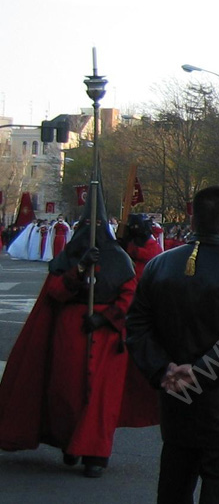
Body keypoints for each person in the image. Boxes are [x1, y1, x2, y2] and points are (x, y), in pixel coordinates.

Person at [0, 183, 158, 478]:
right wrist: (80, 270)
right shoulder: (70, 257)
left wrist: (107, 318)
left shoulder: (120, 259)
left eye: (98, 225)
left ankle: (96, 453)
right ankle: (70, 443)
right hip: (71, 332)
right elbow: (56, 292)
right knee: (67, 392)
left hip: (108, 337)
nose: (92, 230)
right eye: (88, 225)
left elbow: (130, 297)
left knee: (101, 399)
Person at [126, 186, 219, 504]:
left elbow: (136, 325)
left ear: (193, 221)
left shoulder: (159, 266)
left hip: (177, 399)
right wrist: (201, 372)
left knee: (174, 489)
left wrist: (164, 368)